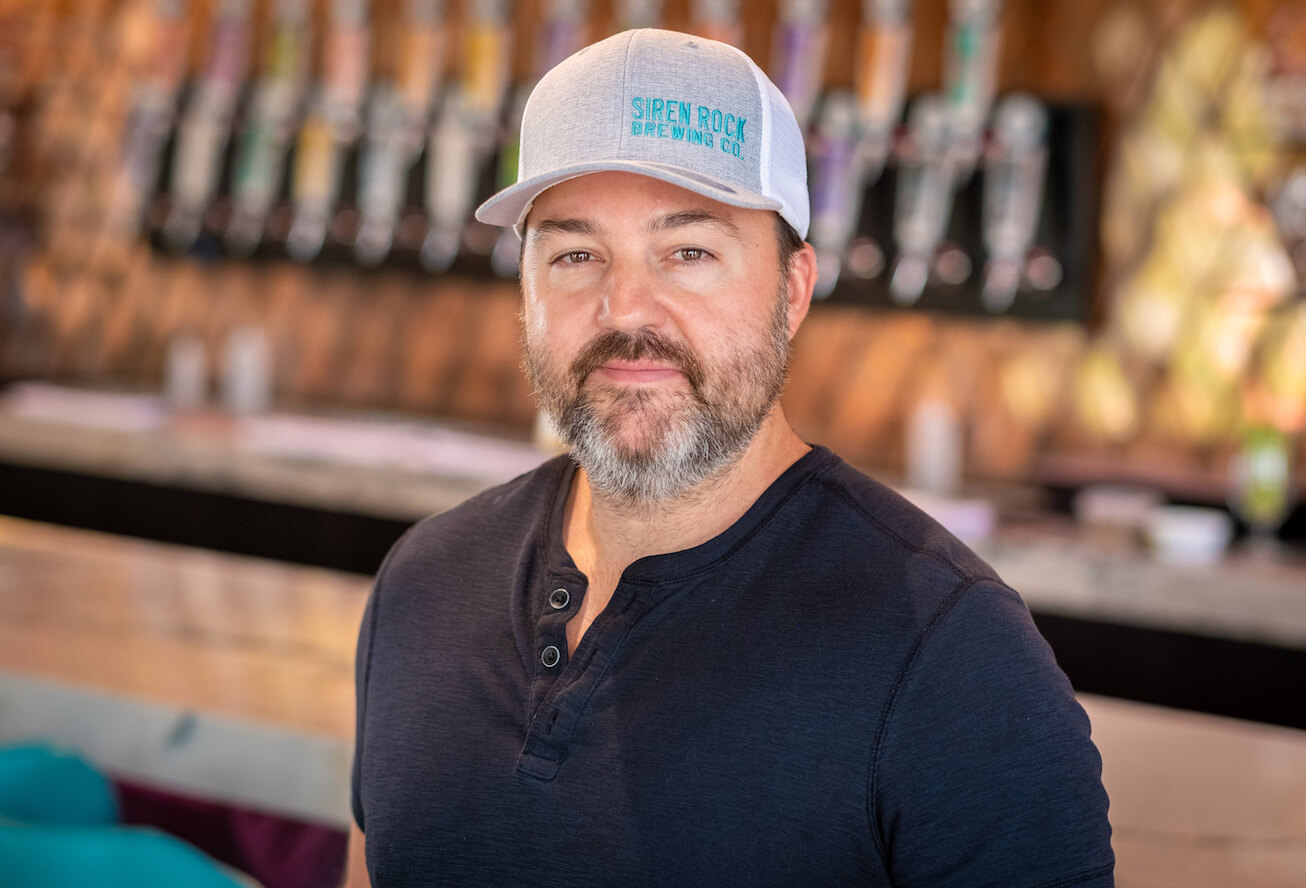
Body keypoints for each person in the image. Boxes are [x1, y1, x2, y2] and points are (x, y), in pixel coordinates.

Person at [345, 28, 1113, 887]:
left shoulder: (952, 658)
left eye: (689, 252)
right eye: (575, 254)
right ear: (524, 288)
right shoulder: (424, 583)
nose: (625, 308)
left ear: (792, 291)